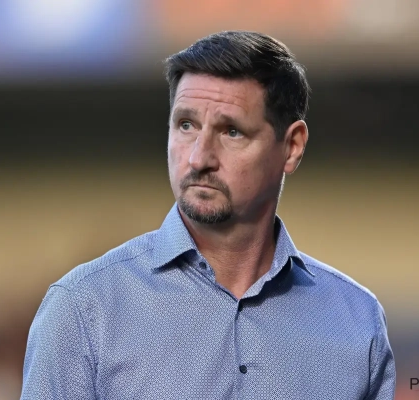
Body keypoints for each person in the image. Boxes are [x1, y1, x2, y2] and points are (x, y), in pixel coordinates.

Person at [21, 30, 396, 399]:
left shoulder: (357, 322)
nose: (199, 158)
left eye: (231, 131)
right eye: (186, 125)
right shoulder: (84, 309)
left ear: (292, 147)